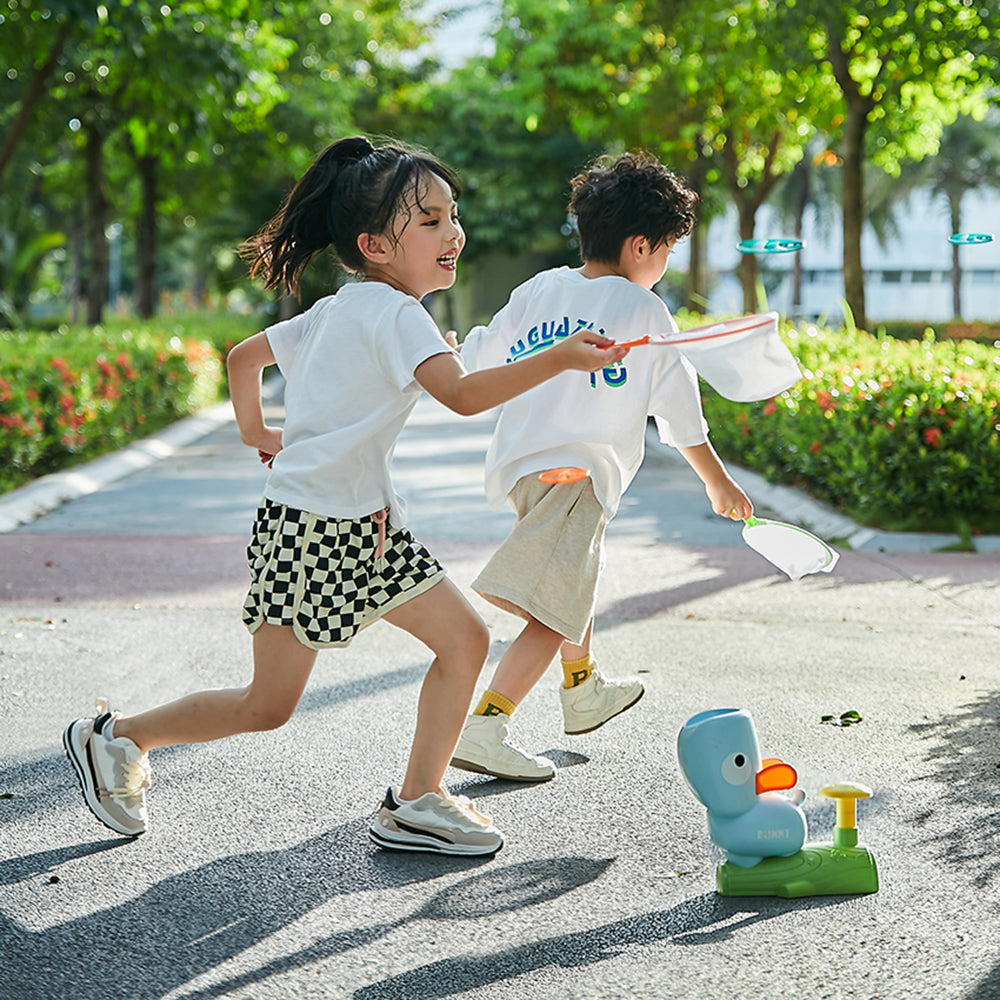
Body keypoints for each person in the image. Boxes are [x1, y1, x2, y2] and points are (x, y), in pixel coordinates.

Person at [62, 136, 628, 856]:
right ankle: (118, 739)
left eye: (451, 215)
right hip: (313, 532)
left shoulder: (343, 307)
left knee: (464, 640)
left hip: (364, 525)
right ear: (374, 244)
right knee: (266, 706)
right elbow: (458, 395)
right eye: (428, 221)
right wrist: (561, 356)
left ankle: (419, 799)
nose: (452, 233)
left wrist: (258, 432)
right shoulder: (395, 317)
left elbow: (244, 359)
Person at [449, 151, 753, 783]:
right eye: (667, 249)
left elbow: (481, 352)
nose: (665, 264)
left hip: (526, 474)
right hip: (579, 475)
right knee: (551, 608)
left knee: (572, 580)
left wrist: (449, 351)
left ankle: (582, 687)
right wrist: (716, 480)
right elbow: (679, 411)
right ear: (642, 245)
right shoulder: (644, 311)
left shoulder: (538, 289)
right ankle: (487, 722)